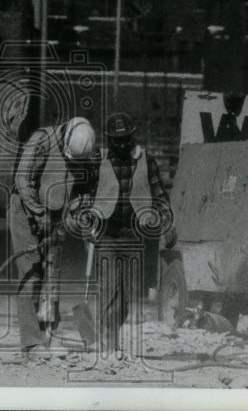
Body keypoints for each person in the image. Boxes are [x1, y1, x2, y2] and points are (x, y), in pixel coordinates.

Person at [9, 116, 97, 358]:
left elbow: (84, 189)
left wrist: (81, 214)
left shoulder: (85, 151)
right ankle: (31, 343)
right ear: (65, 138)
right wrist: (39, 214)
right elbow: (23, 180)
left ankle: (50, 334)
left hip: (56, 213)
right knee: (32, 273)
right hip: (25, 209)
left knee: (53, 275)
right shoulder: (41, 140)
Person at [89, 111, 175, 357]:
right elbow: (85, 192)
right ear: (109, 139)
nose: (123, 144)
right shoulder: (98, 160)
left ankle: (111, 330)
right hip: (106, 235)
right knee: (109, 289)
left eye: (127, 139)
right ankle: (108, 339)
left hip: (135, 237)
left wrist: (168, 223)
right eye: (117, 140)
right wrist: (84, 218)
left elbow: (159, 195)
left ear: (133, 136)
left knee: (128, 295)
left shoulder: (146, 161)